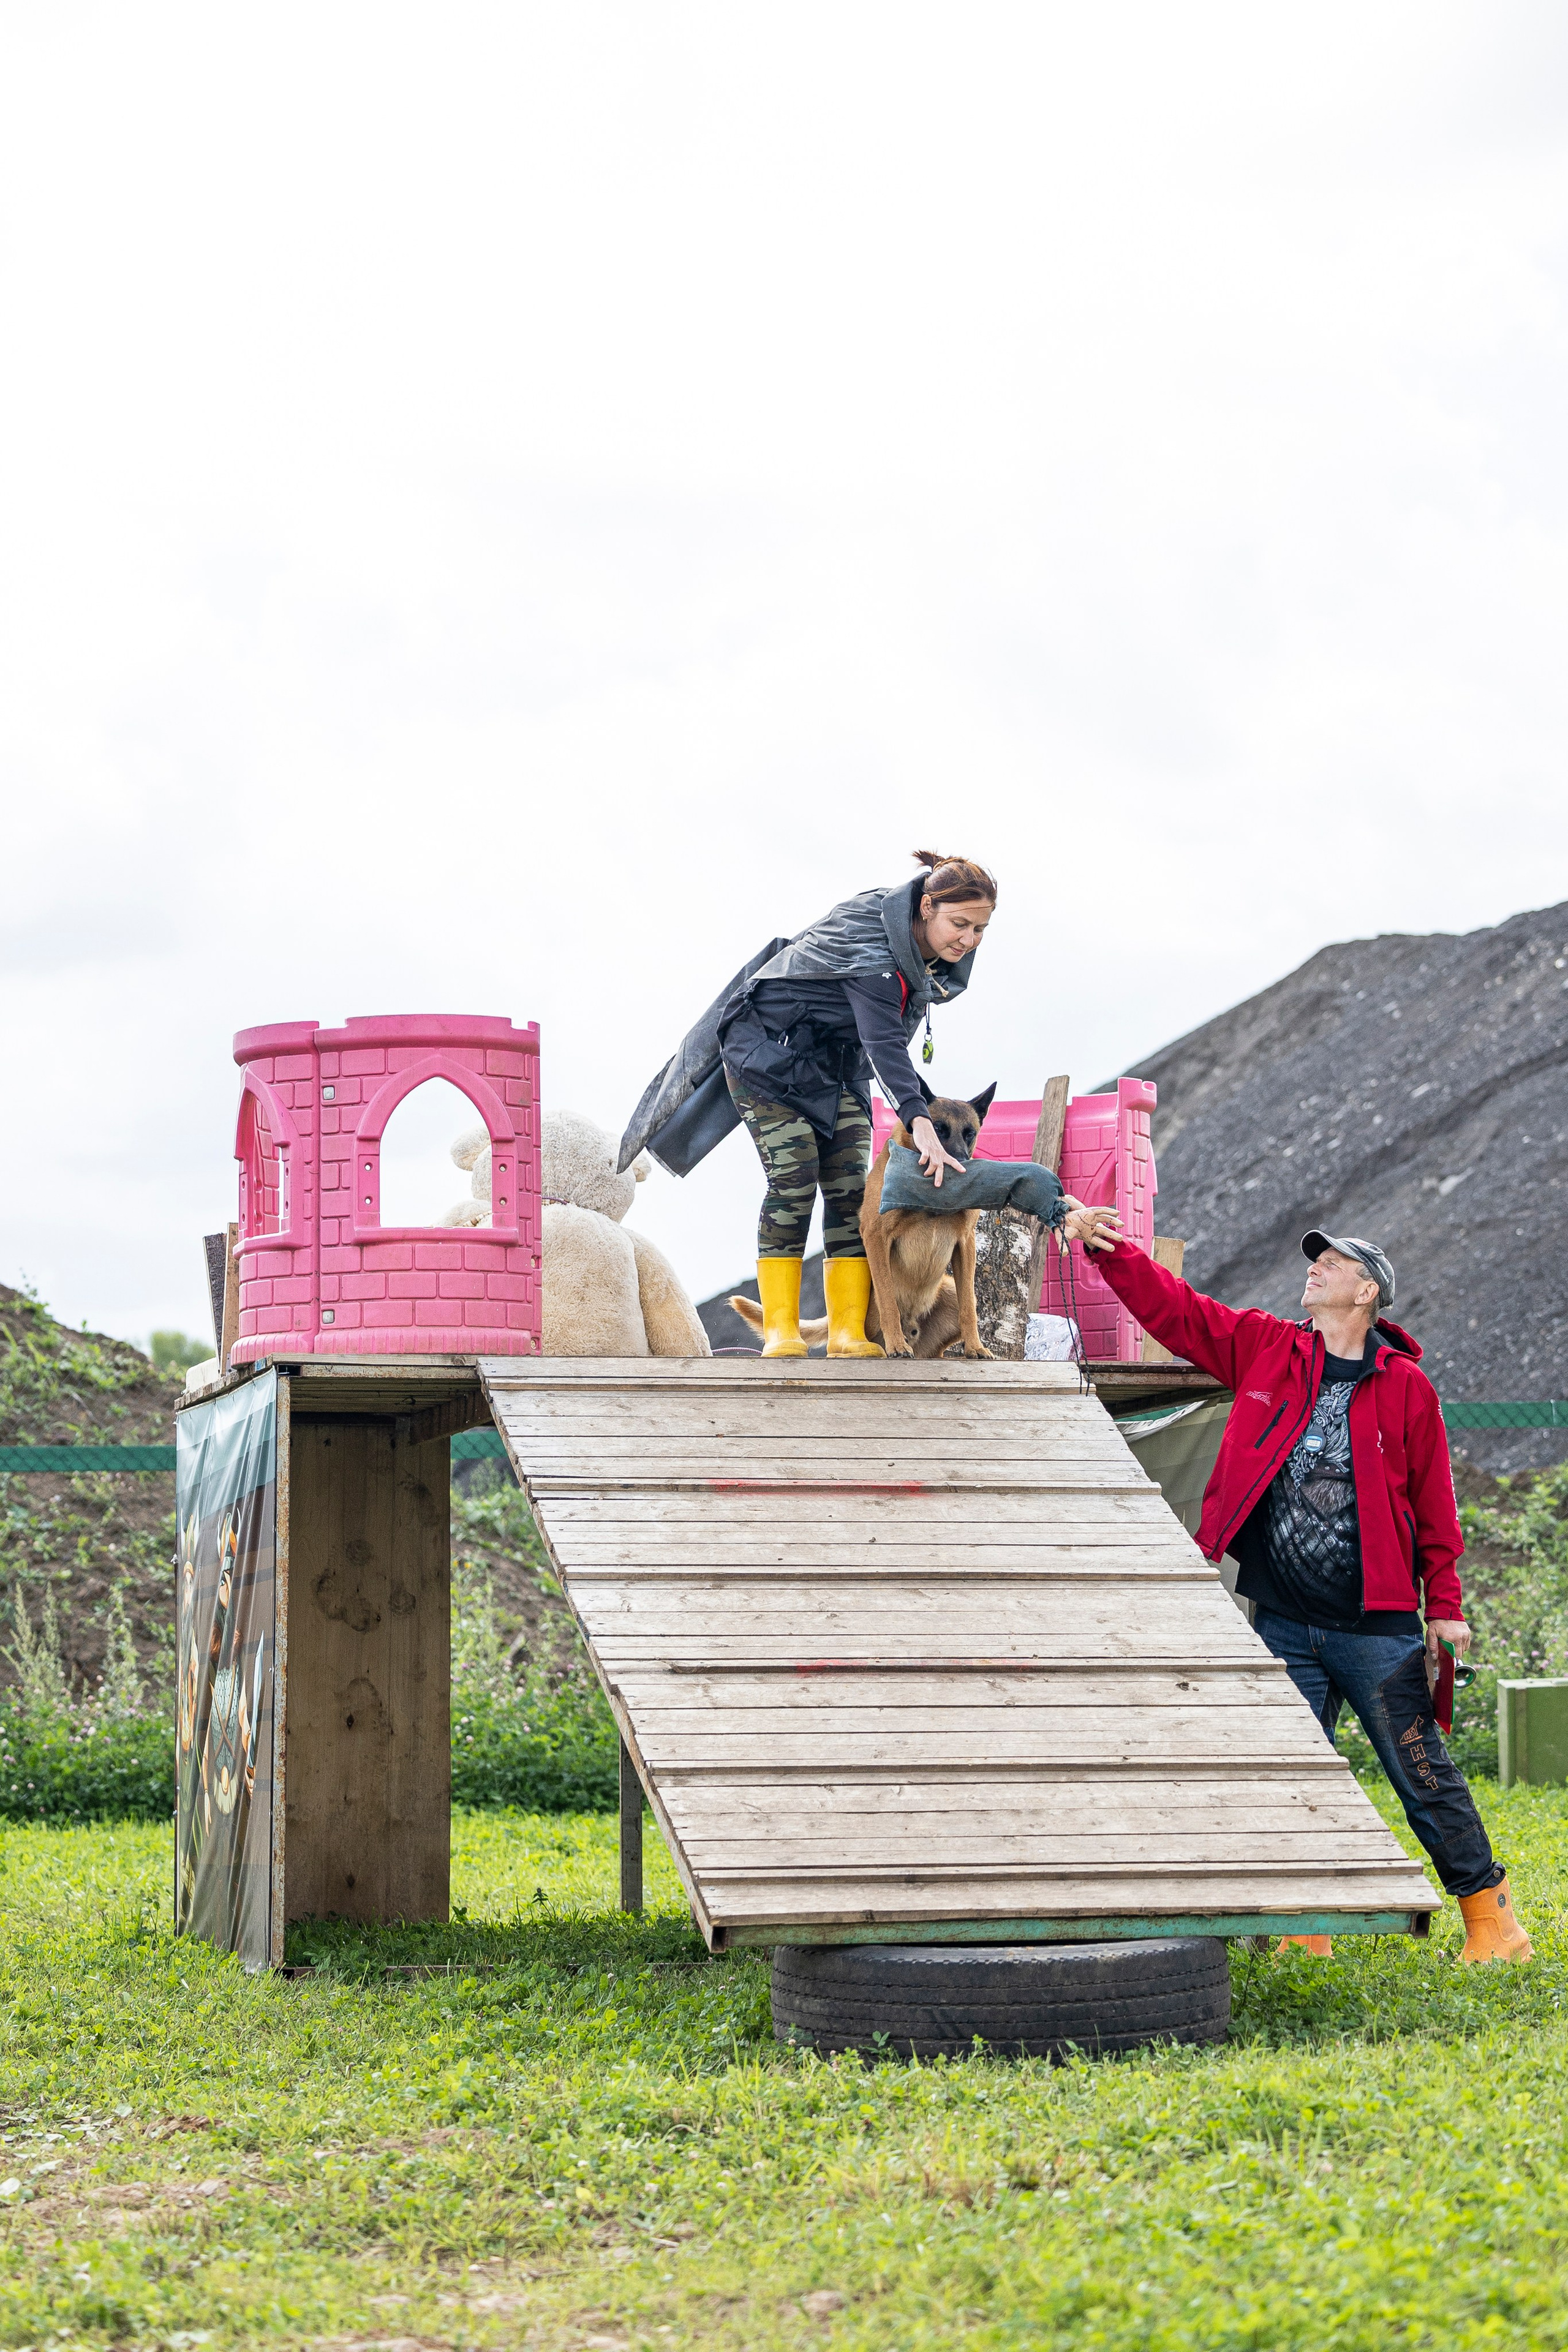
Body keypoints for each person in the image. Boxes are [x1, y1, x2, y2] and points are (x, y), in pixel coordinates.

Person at [1060, 1205, 1532, 1966]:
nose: (1314, 1267)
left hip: (1373, 1628)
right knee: (1287, 1779)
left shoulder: (1407, 1387)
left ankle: (1491, 1920)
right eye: (1316, 1260)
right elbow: (1178, 1313)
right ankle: (1304, 1926)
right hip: (1283, 1620)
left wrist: (1442, 1607)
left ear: (1367, 1293)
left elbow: (1434, 1506)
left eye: (1334, 1263)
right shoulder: (1267, 1348)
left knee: (1421, 1772)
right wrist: (1110, 1254)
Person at [619, 850, 1000, 1359]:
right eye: (961, 924)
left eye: (980, 930)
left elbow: (876, 1044)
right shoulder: (873, 950)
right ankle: (781, 1330)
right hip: (767, 1058)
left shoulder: (925, 954)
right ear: (926, 906)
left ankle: (846, 1331)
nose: (968, 941)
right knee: (795, 1177)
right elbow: (886, 1044)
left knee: (851, 1189)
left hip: (838, 1067)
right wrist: (919, 1121)